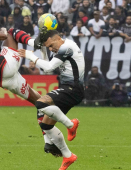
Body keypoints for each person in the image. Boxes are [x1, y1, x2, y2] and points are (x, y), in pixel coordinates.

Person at [0, 8, 62, 157]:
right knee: (10, 31)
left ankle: (48, 142)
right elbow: (2, 35)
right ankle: (35, 43)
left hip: (4, 79)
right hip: (4, 67)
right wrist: (1, 32)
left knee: (41, 103)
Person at [18, 29, 85, 170]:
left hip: (72, 89)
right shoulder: (62, 48)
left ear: (58, 38)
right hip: (68, 89)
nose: (51, 49)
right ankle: (68, 156)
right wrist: (43, 52)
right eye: (48, 47)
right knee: (45, 124)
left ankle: (71, 125)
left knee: (41, 103)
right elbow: (48, 69)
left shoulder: (68, 47)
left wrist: (31, 56)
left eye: (50, 45)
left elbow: (48, 66)